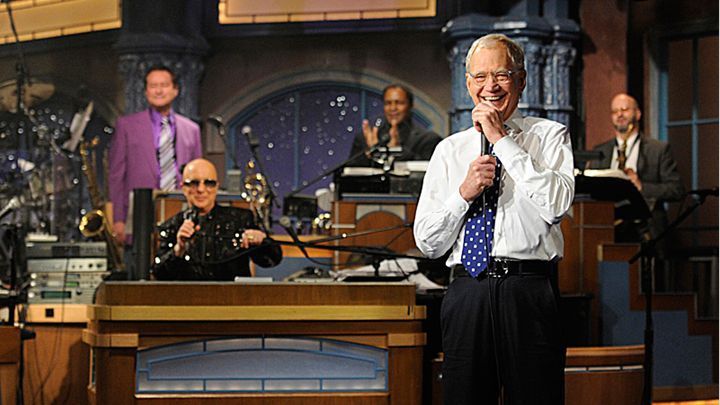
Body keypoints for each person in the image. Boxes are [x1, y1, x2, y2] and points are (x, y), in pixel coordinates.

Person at [414, 34, 575, 404]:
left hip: (528, 290)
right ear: (468, 83)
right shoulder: (448, 151)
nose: (491, 86)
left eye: (501, 75)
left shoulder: (550, 136)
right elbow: (429, 243)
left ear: (520, 80)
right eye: (480, 77)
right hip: (467, 290)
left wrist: (501, 140)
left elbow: (555, 206)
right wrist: (463, 194)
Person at [108, 65, 202, 246]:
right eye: (153, 86)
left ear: (175, 90)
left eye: (164, 85)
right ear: (146, 91)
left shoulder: (192, 129)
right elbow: (116, 176)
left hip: (180, 214)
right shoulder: (126, 125)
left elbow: (199, 177)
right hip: (138, 215)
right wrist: (118, 219)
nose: (159, 91)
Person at [151, 159, 282, 281]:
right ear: (183, 188)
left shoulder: (240, 219)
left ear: (217, 187)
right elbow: (159, 274)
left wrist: (262, 241)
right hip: (188, 302)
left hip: (232, 301)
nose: (201, 190)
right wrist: (178, 249)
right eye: (194, 183)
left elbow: (272, 260)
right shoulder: (172, 226)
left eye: (209, 183)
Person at [588, 93, 684, 242]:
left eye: (625, 109)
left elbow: (676, 190)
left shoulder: (658, 149)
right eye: (615, 111)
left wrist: (641, 186)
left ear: (638, 114)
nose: (619, 114)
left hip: (647, 231)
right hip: (607, 228)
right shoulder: (600, 151)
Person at [347, 84, 441, 166]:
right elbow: (348, 170)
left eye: (399, 103)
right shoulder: (365, 138)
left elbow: (430, 173)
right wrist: (371, 153)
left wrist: (397, 151)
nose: (393, 108)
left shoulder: (428, 139)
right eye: (388, 103)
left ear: (410, 106)